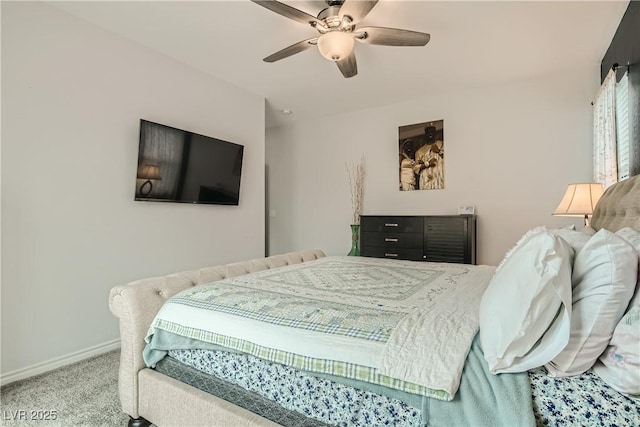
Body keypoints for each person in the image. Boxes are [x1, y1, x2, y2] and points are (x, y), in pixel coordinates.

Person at [413, 124, 444, 189]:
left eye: (432, 132)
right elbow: (415, 168)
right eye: (428, 132)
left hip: (439, 179)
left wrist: (438, 151)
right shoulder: (419, 151)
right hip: (426, 180)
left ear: (435, 133)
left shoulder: (441, 144)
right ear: (425, 134)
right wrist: (427, 164)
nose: (430, 134)